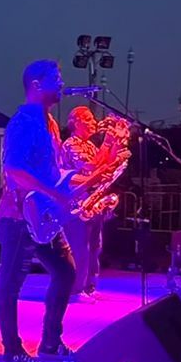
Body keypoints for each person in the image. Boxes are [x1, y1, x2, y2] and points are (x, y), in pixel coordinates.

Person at [0, 60, 81, 362]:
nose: (61, 83)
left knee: (66, 271)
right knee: (10, 285)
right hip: (19, 216)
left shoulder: (50, 123)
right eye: (56, 78)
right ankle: (13, 349)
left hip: (44, 216)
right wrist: (55, 193)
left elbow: (50, 170)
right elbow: (15, 169)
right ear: (36, 85)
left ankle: (50, 342)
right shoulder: (24, 122)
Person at [62, 105, 111, 300]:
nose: (94, 122)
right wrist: (109, 141)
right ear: (77, 123)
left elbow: (104, 165)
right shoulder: (72, 144)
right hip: (77, 205)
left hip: (93, 203)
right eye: (89, 119)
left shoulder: (90, 145)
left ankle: (90, 286)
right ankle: (76, 289)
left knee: (94, 246)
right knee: (80, 247)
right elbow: (90, 168)